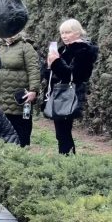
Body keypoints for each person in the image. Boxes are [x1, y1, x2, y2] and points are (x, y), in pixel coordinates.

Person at [45, 19, 99, 155]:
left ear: (77, 32)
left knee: (64, 132)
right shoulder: (63, 49)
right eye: (62, 32)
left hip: (69, 94)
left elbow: (74, 76)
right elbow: (52, 74)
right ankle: (65, 160)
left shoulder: (83, 50)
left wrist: (56, 62)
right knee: (61, 132)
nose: (64, 36)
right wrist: (49, 65)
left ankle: (67, 162)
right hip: (58, 94)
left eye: (68, 32)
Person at [0, 32, 41, 147]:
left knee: (20, 130)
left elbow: (33, 70)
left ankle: (22, 154)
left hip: (18, 98)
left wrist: (33, 90)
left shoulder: (26, 46)